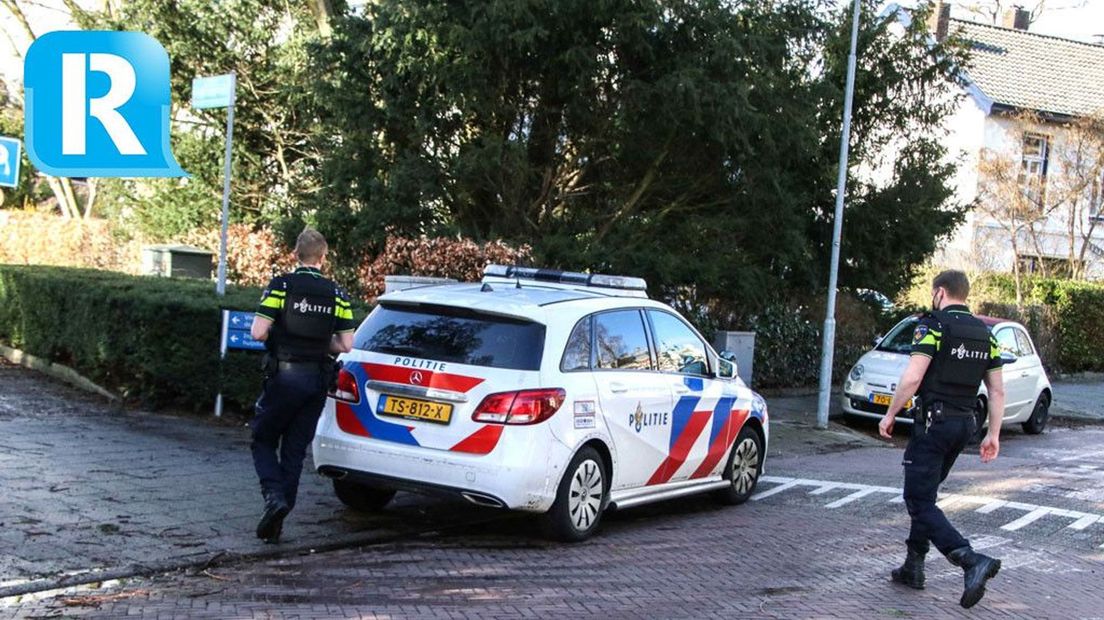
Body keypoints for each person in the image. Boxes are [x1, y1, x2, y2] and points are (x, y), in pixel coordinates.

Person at [878, 269, 1006, 609]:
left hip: (934, 423)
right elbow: (997, 390)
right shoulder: (986, 334)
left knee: (917, 500)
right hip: (965, 426)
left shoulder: (933, 326)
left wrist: (890, 414)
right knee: (927, 495)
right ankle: (913, 566)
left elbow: (912, 377)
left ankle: (969, 559)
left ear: (940, 292)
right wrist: (992, 434)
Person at [249, 228, 356, 543]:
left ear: (296, 255)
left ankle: (273, 498)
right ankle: (278, 522)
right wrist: (321, 344)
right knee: (294, 451)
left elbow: (258, 332)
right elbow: (346, 344)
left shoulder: (281, 286)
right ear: (323, 258)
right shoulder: (338, 295)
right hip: (317, 381)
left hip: (284, 376)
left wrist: (281, 336)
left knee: (263, 439)